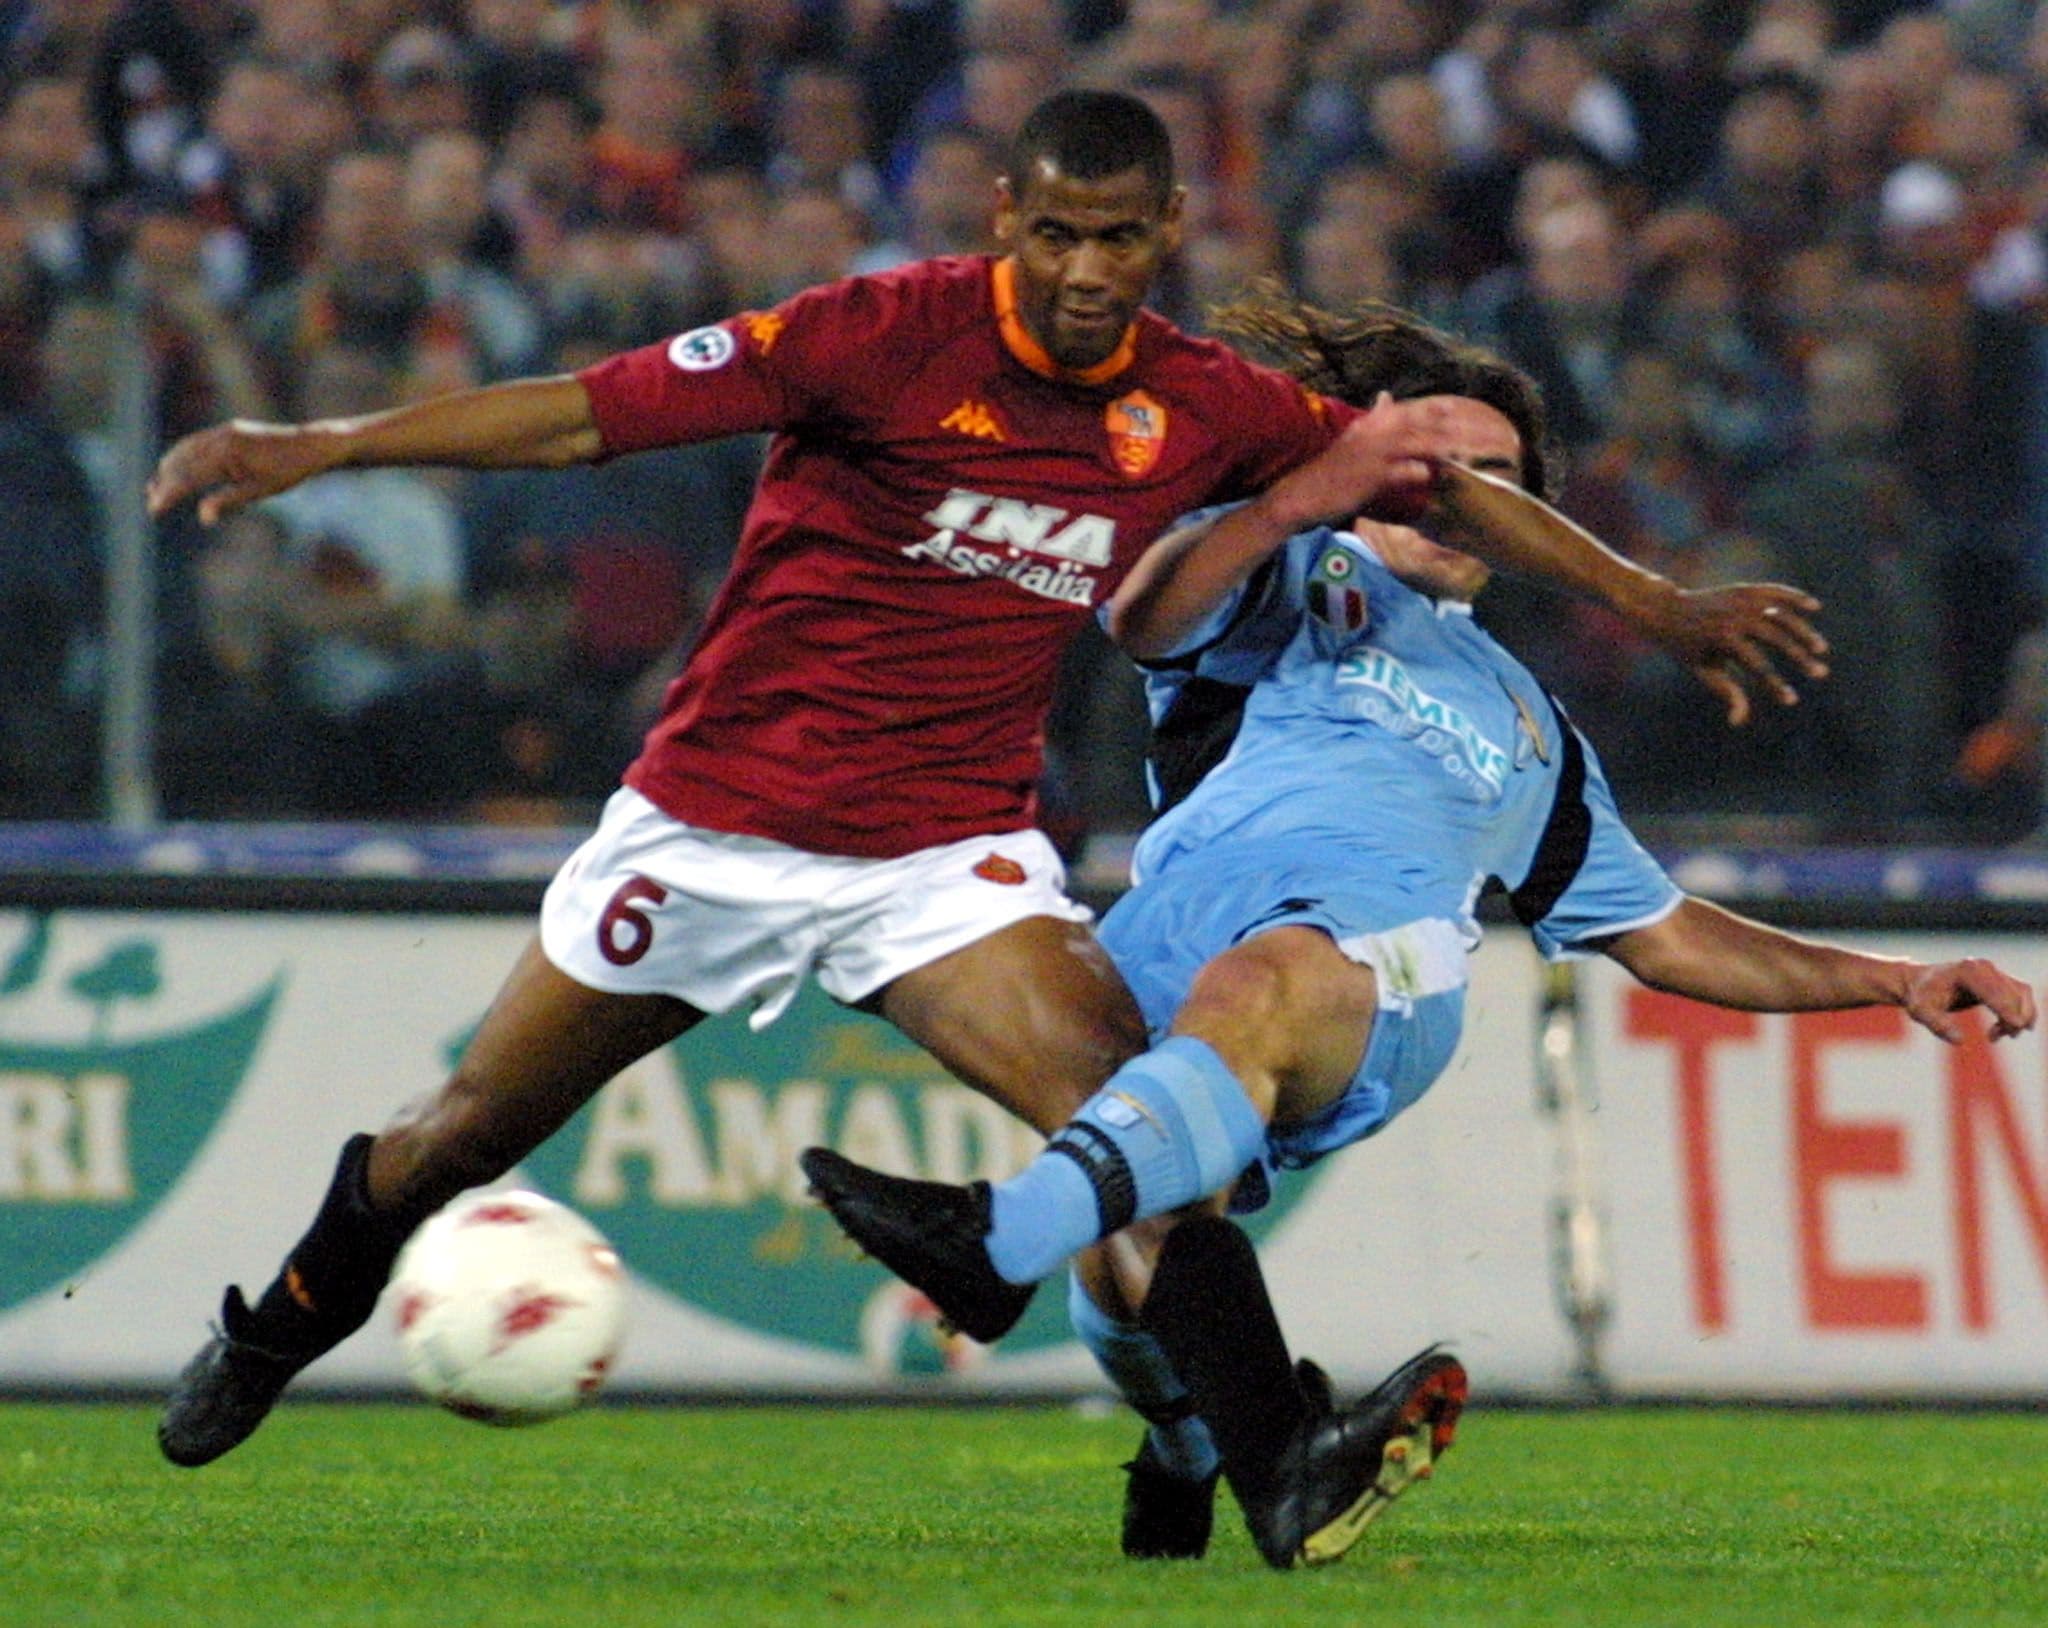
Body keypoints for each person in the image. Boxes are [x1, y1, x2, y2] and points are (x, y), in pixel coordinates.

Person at [144, 91, 1819, 1481]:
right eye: (1054, 233)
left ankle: (1281, 1460)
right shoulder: (870, 335)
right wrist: (321, 445)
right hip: (712, 824)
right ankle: (271, 1327)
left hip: (940, 853)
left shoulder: (1197, 397)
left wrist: (1655, 603)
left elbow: (1420, 473)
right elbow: (585, 419)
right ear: (1006, 215)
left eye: (1118, 239)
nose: (1084, 272)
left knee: (1150, 1130)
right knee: (454, 1136)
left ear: (1161, 234)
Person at [801, 293, 2036, 1569]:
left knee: (1255, 990)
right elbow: (1137, 619)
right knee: (1150, 1221)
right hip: (1161, 949)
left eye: (1497, 485)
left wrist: (1893, 977)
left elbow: (1662, 932)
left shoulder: (1528, 724)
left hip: (1368, 974)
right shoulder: (1281, 573)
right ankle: (1194, 1452)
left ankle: (995, 1241)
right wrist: (1294, 497)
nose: (1458, 504)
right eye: (1438, 475)